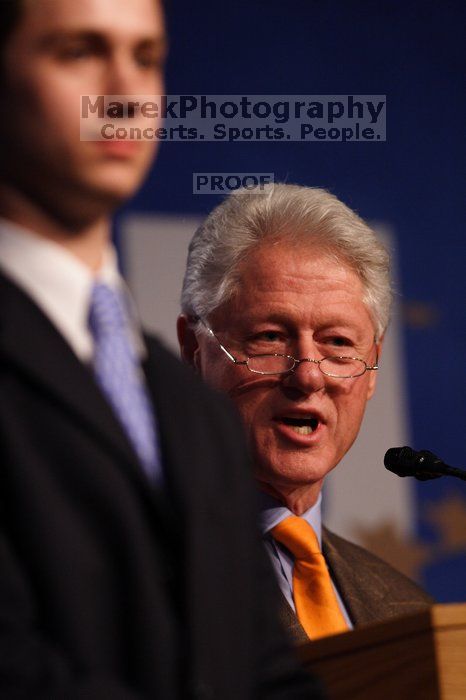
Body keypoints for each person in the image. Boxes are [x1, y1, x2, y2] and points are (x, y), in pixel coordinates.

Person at [0, 2, 323, 697]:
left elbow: (259, 667)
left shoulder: (189, 405)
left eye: (146, 57)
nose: (124, 92)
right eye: (78, 51)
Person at [178, 183, 433, 645]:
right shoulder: (118, 564)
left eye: (337, 344)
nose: (309, 378)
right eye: (271, 337)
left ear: (372, 369)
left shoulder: (408, 610)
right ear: (192, 350)